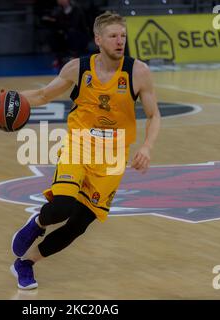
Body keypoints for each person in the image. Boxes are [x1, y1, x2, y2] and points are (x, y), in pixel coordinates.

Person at [9, 11, 161, 290]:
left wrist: (148, 147)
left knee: (78, 225)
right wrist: (11, 99)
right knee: (63, 206)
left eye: (123, 36)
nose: (120, 41)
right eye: (113, 36)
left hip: (113, 157)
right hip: (79, 146)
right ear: (98, 39)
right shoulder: (78, 68)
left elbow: (154, 115)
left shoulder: (138, 72)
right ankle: (38, 222)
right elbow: (43, 95)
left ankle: (25, 263)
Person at [41, 0, 91, 69]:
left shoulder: (76, 9)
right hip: (64, 31)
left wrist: (60, 23)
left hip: (78, 33)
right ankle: (58, 58)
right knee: (52, 35)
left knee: (72, 33)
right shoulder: (58, 9)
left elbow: (75, 24)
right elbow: (55, 20)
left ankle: (74, 56)